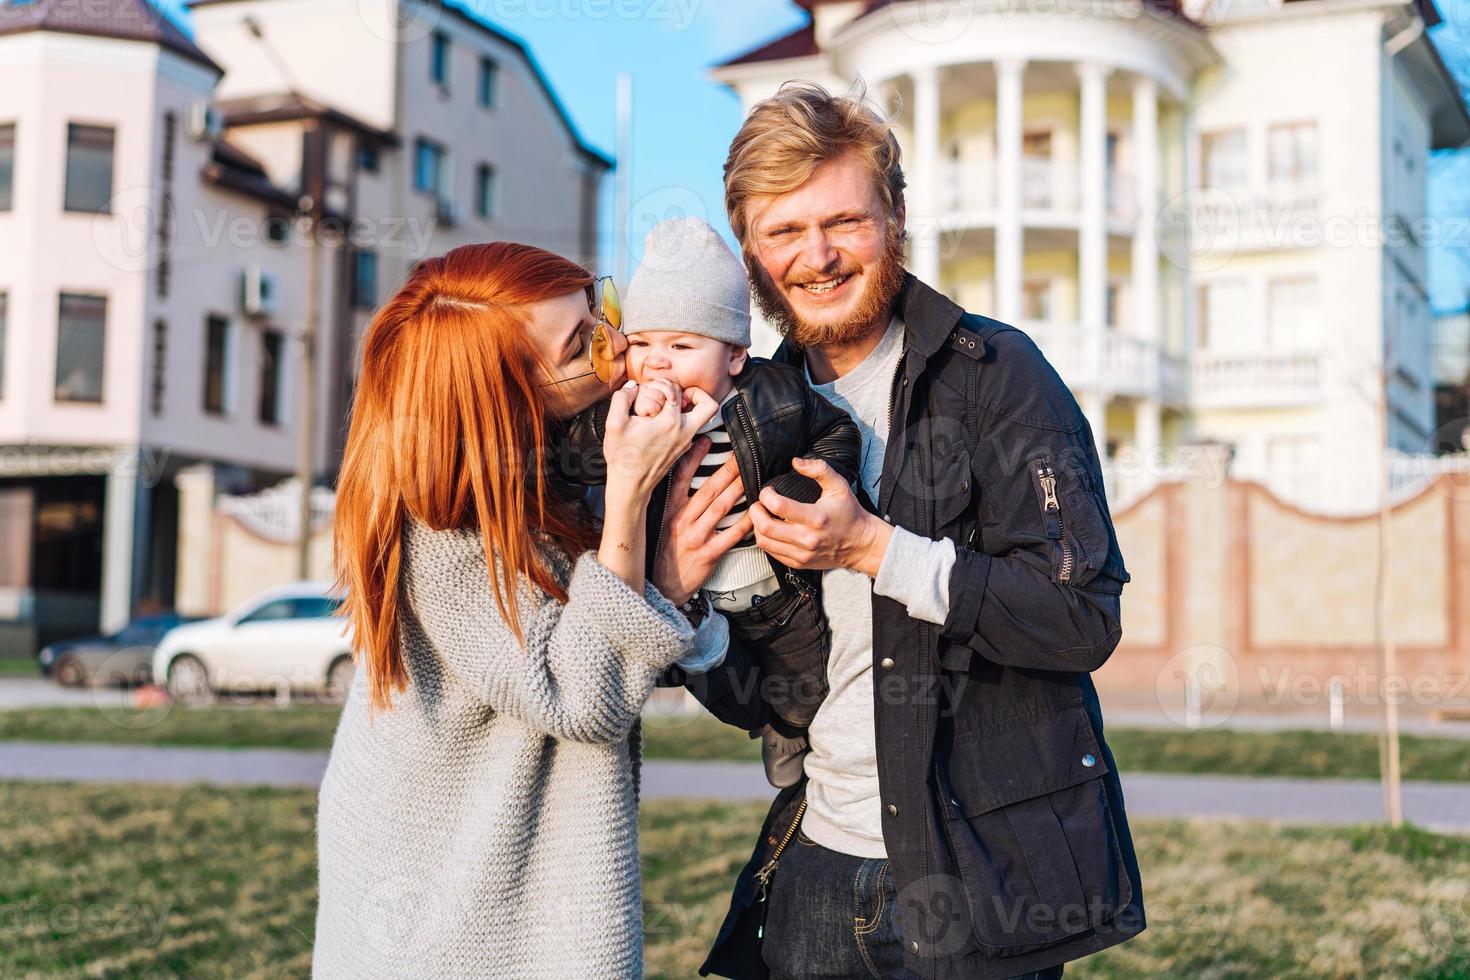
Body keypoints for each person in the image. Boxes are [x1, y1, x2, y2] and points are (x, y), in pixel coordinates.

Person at [668, 83, 1145, 980]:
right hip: (814, 866)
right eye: (783, 233)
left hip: (976, 873)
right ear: (750, 254)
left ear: (893, 219)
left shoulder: (999, 376)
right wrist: (687, 605)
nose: (817, 256)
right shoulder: (744, 418)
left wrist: (872, 549)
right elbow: (762, 699)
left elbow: (1081, 618)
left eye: (845, 221)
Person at [313, 242, 736, 979]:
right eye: (583, 345)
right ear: (507, 399)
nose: (619, 346)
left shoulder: (547, 470)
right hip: (451, 914)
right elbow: (579, 697)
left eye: (598, 311)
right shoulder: (441, 529)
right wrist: (645, 540)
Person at [561, 216, 862, 789]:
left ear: (734, 357)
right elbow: (576, 457)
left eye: (681, 345)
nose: (658, 362)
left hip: (772, 590)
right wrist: (623, 429)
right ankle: (762, 724)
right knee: (718, 682)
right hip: (690, 595)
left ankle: (792, 733)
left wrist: (791, 495)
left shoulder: (773, 397)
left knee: (803, 692)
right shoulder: (623, 410)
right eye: (643, 344)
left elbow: (838, 434)